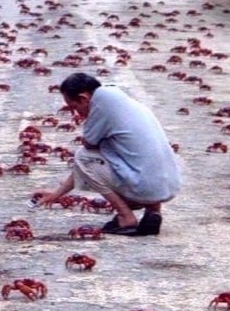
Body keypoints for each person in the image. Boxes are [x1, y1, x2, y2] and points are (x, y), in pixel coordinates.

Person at [32, 73, 181, 236]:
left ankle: (126, 217)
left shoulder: (102, 107)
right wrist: (57, 194)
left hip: (144, 187)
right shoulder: (123, 101)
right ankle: (153, 211)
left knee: (84, 155)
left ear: (83, 98)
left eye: (74, 107)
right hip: (167, 186)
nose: (76, 114)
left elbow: (87, 153)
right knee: (131, 154)